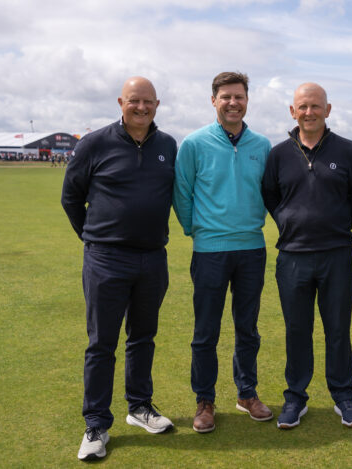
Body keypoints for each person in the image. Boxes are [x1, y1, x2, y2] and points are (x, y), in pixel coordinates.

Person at [61, 76, 177, 461]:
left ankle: (139, 407)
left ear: (157, 105)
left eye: (147, 101)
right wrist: (94, 237)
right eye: (133, 101)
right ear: (120, 102)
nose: (141, 107)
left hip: (152, 257)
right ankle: (96, 423)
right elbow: (71, 198)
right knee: (102, 343)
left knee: (143, 337)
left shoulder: (167, 145)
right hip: (106, 258)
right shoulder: (94, 143)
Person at [262, 83, 352, 429]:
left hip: (336, 255)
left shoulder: (347, 151)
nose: (309, 112)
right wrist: (289, 222)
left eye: (316, 106)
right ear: (293, 111)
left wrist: (335, 225)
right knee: (297, 330)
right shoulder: (278, 154)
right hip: (293, 257)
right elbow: (270, 196)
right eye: (303, 107)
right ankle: (295, 398)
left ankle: (344, 396)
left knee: (338, 329)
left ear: (328, 109)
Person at [174, 71, 273, 433]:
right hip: (210, 251)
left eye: (239, 96)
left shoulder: (262, 145)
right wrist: (197, 230)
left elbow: (270, 192)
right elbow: (181, 193)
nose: (233, 103)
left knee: (248, 329)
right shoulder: (194, 143)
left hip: (252, 249)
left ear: (247, 100)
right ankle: (205, 400)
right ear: (213, 100)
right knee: (206, 332)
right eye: (226, 96)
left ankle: (247, 394)